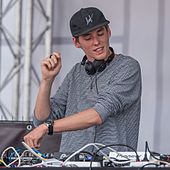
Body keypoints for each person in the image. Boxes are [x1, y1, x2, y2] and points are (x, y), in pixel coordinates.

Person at [24, 7, 142, 153]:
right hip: (70, 163)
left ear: (108, 32)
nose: (96, 41)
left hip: (112, 164)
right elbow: (41, 120)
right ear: (76, 42)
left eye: (100, 33)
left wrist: (47, 128)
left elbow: (97, 114)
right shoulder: (75, 73)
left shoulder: (128, 67)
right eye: (88, 38)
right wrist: (46, 81)